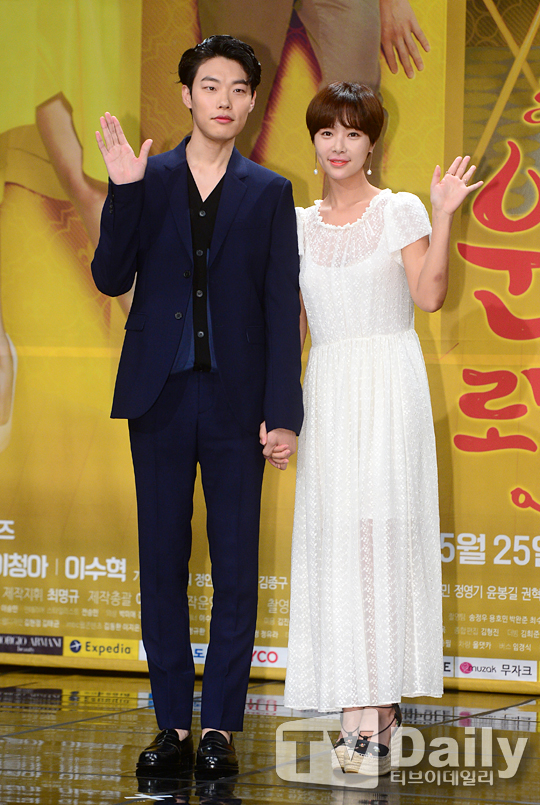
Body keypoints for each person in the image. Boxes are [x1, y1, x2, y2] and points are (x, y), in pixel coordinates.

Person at [91, 35, 303, 777]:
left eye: (238, 89)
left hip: (238, 403)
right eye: (210, 86)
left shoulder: (269, 192)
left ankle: (218, 727)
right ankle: (172, 725)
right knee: (162, 561)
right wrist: (122, 191)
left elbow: (280, 307)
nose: (224, 100)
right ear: (187, 95)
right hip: (160, 395)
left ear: (251, 102)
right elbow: (109, 276)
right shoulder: (146, 177)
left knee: (237, 565)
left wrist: (283, 412)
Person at [279, 82, 482, 776]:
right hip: (329, 388)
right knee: (337, 542)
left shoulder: (400, 209)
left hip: (389, 387)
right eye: (327, 133)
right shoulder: (298, 225)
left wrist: (445, 216)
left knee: (382, 539)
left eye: (353, 133)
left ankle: (372, 708)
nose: (338, 146)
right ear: (314, 142)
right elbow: (294, 329)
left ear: (372, 143)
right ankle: (359, 703)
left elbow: (429, 294)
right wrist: (280, 410)